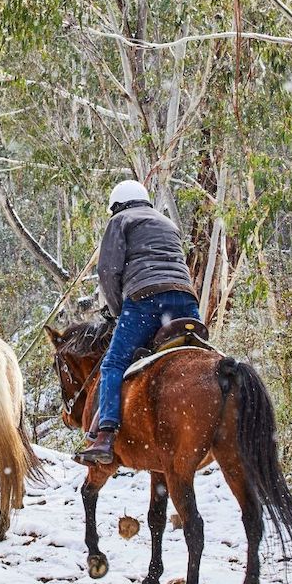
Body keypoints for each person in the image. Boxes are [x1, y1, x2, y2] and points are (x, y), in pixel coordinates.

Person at [74, 180, 201, 466]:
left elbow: (108, 271)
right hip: (186, 299)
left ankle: (105, 435)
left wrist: (118, 311)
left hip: (145, 299)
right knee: (201, 357)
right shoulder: (168, 223)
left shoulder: (120, 220)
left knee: (113, 364)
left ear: (117, 205)